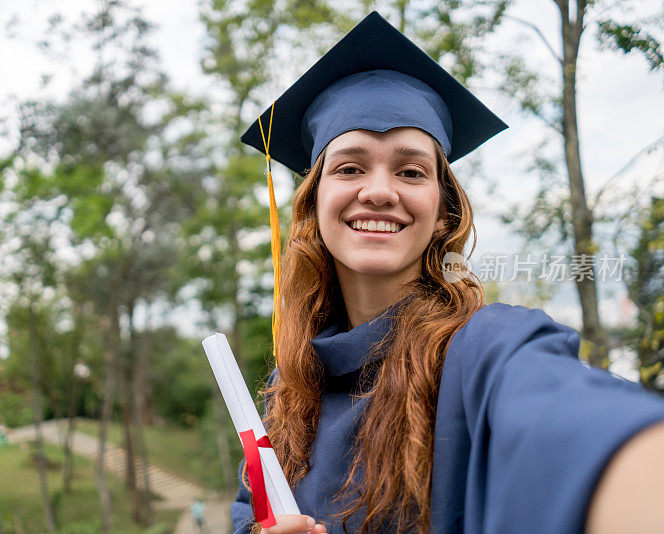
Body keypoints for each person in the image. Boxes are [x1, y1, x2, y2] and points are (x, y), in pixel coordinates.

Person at [230, 11, 664, 534]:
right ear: (312, 202)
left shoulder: (481, 351)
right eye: (349, 166)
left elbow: (582, 430)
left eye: (411, 171)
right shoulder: (287, 393)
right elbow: (244, 514)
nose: (380, 190)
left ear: (443, 213)